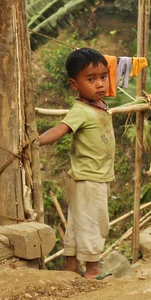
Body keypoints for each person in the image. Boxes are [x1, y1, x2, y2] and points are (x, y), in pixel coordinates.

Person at [38, 48, 115, 279]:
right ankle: (92, 270)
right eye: (91, 79)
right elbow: (60, 130)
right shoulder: (80, 110)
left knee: (77, 221)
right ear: (74, 84)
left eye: (103, 77)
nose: (100, 84)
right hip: (89, 178)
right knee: (95, 223)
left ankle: (71, 267)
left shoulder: (100, 106)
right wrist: (36, 141)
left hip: (91, 176)